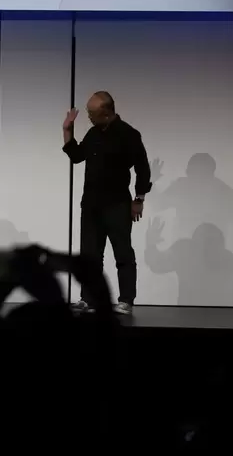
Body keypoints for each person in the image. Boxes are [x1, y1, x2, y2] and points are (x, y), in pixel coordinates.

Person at [62, 91, 151, 315]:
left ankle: (126, 300)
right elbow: (77, 156)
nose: (89, 117)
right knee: (90, 256)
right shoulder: (93, 133)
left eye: (92, 113)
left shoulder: (128, 134)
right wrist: (67, 130)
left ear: (107, 113)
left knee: (123, 253)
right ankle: (89, 298)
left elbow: (142, 168)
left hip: (117, 205)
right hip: (91, 205)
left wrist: (139, 199)